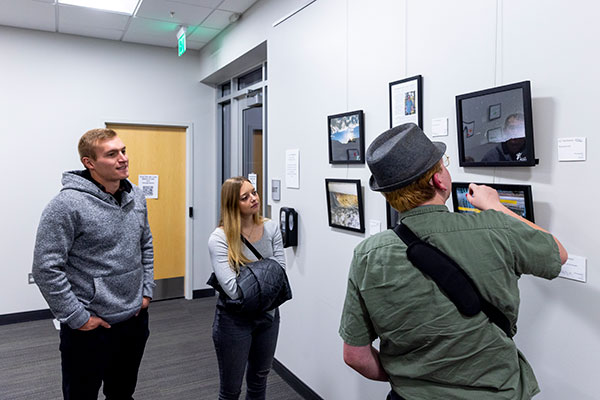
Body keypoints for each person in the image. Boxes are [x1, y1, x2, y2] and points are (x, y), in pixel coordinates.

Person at [339, 123, 567, 399]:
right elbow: (557, 253)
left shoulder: (367, 254)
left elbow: (355, 355)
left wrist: (410, 378)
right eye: (443, 164)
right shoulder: (494, 228)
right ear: (439, 180)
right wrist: (495, 206)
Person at [32, 128, 155, 400]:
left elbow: (145, 244)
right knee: (81, 395)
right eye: (112, 154)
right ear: (89, 163)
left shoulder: (136, 195)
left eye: (123, 151)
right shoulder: (66, 205)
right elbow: (46, 268)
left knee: (122, 392)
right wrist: (77, 318)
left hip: (133, 319)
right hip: (90, 327)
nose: (123, 158)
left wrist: (146, 292)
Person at [208, 176, 286, 400]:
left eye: (254, 192)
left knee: (259, 380)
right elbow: (233, 290)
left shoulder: (270, 228)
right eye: (245, 197)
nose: (254, 198)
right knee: (231, 390)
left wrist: (250, 276)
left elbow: (280, 275)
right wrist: (266, 275)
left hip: (269, 316)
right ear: (233, 204)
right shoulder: (220, 238)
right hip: (234, 321)